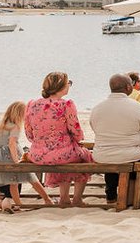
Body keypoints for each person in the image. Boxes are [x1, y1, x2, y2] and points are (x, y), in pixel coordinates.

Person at [90, 74, 140, 204]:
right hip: (131, 154)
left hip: (102, 154)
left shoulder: (97, 108)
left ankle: (110, 194)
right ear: (128, 87)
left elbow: (95, 129)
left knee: (112, 152)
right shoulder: (137, 107)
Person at [23, 71, 93, 207]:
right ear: (61, 86)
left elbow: (28, 133)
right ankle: (76, 199)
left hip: (37, 154)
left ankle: (64, 198)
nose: (69, 86)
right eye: (69, 83)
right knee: (85, 156)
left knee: (67, 155)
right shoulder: (66, 104)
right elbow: (75, 130)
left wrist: (41, 143)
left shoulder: (31, 104)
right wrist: (77, 141)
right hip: (61, 154)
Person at [0, 101, 53, 210]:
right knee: (32, 178)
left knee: (13, 182)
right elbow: (11, 144)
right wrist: (16, 160)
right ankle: (47, 200)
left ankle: (19, 204)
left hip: (0, 158)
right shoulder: (15, 127)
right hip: (12, 156)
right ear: (19, 114)